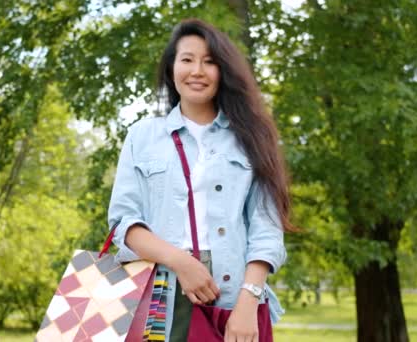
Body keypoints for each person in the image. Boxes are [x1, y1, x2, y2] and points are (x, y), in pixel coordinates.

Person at [108, 18, 292, 342]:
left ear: (223, 72)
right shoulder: (142, 136)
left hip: (236, 297)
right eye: (187, 59)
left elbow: (266, 230)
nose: (197, 71)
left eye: (209, 62)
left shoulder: (252, 137)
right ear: (171, 68)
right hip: (161, 298)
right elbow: (124, 224)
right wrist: (181, 262)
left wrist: (248, 302)